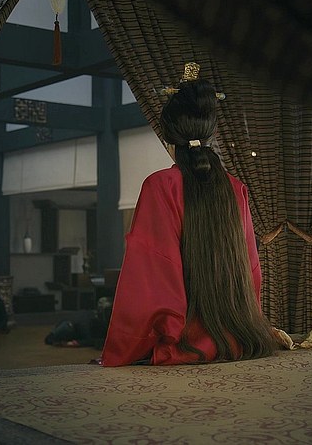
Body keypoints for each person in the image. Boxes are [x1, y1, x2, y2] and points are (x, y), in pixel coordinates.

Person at [101, 64, 277, 366]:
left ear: (167, 136)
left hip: (185, 346)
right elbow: (251, 270)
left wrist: (126, 346)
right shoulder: (235, 188)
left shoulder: (161, 185)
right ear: (212, 133)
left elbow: (153, 275)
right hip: (239, 342)